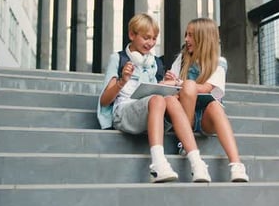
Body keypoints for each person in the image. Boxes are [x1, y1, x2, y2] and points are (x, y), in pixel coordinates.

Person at [97, 13, 212, 183]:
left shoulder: (156, 63)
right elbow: (104, 100)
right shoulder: (119, 59)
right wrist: (122, 81)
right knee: (157, 100)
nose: (150, 43)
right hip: (124, 113)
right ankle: (157, 164)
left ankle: (197, 163)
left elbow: (159, 92)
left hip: (149, 112)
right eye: (146, 38)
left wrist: (166, 83)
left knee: (171, 100)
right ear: (131, 35)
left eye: (154, 38)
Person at [164, 17, 250, 182]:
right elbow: (169, 85)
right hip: (183, 114)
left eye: (191, 35)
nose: (186, 39)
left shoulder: (218, 62)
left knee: (215, 106)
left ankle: (236, 165)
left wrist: (179, 83)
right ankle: (184, 142)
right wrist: (170, 79)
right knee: (188, 85)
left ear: (203, 39)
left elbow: (206, 89)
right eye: (186, 35)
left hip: (205, 117)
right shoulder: (181, 59)